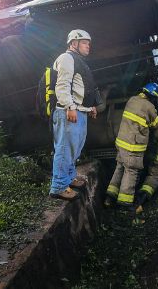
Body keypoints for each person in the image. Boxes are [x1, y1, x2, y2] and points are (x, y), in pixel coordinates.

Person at [49, 29, 99, 201]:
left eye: (88, 43)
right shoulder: (66, 58)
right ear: (73, 43)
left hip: (79, 110)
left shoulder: (78, 61)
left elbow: (80, 88)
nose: (88, 46)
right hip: (67, 111)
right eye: (84, 43)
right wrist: (69, 106)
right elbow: (62, 85)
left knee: (75, 148)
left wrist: (90, 107)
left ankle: (69, 178)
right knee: (65, 149)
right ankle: (59, 186)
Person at [105, 82, 158, 209]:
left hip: (121, 142)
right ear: (153, 96)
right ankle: (125, 202)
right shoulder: (149, 106)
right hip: (133, 145)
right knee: (131, 171)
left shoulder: (132, 99)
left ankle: (110, 196)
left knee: (120, 167)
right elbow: (155, 125)